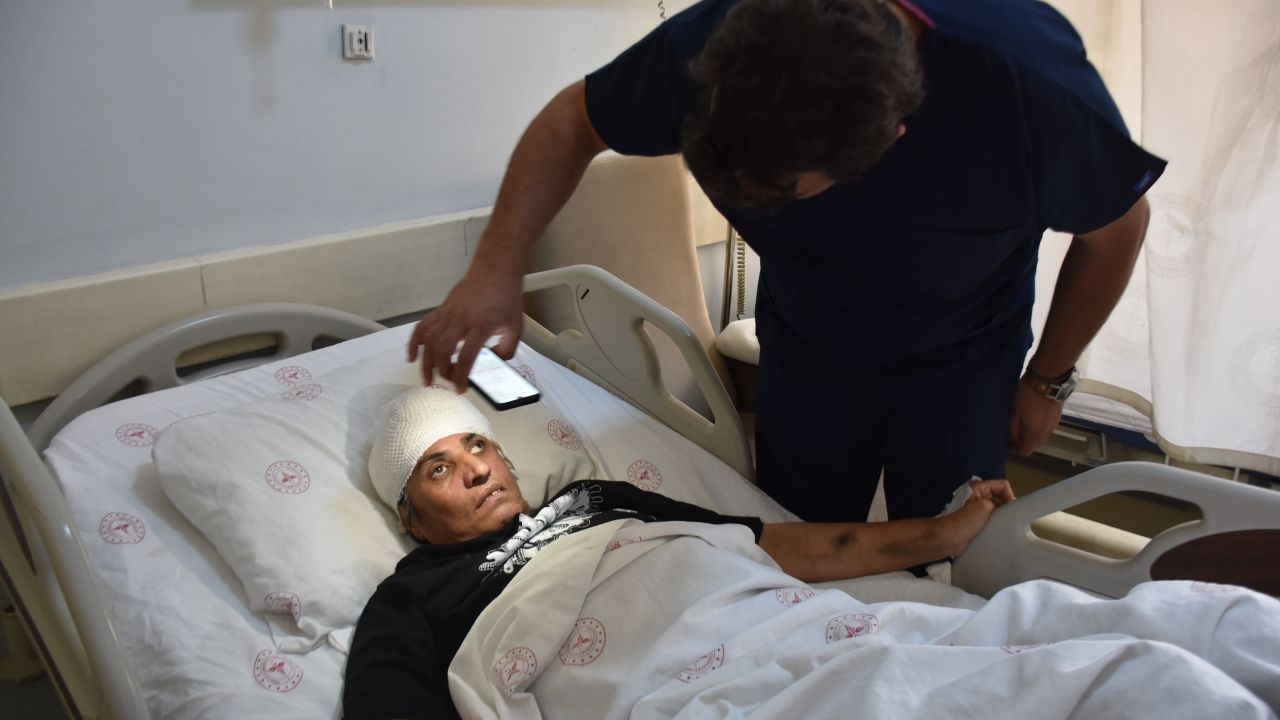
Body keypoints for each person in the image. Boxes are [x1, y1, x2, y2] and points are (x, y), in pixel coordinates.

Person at [406, 0, 1168, 525]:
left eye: (780, 195)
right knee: (792, 534)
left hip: (962, 355)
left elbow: (1117, 230)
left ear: (888, 142)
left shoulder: (1027, 82)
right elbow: (572, 120)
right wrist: (494, 270)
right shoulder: (721, 42)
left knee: (951, 540)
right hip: (809, 345)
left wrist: (1048, 378)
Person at [342, 387, 1015, 719]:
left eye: (478, 445)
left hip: (782, 631)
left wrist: (939, 535)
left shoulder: (591, 499)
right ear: (411, 520)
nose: (476, 470)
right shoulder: (412, 595)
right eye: (438, 469)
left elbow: (770, 544)